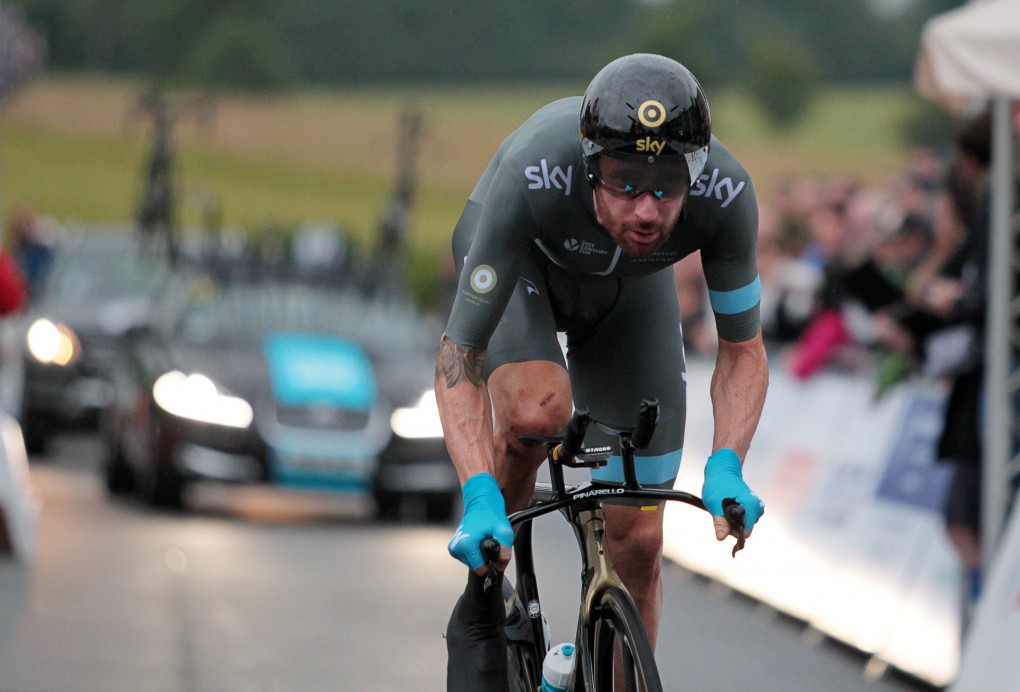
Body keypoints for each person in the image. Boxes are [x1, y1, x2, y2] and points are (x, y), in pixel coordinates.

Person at [435, 53, 768, 689]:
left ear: (696, 172)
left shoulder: (727, 194)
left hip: (629, 290)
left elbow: (743, 350)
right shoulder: (533, 169)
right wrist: (477, 491)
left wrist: (727, 462)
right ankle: (491, 573)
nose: (646, 211)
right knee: (538, 409)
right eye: (624, 184)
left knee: (639, 542)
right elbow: (460, 358)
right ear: (590, 167)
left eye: (667, 187)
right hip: (525, 269)